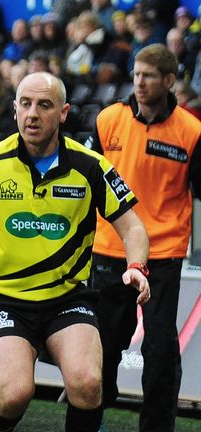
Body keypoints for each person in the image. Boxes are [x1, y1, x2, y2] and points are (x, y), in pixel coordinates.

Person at [0, 72, 151, 432]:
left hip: (67, 298)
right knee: (14, 395)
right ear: (14, 110)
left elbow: (132, 226)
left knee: (88, 385)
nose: (32, 114)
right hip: (5, 299)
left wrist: (136, 265)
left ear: (64, 112)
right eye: (25, 104)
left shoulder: (91, 166)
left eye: (44, 105)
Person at [88, 43, 201, 432]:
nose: (139, 82)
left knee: (160, 350)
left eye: (149, 75)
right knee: (102, 347)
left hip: (164, 255)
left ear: (169, 81)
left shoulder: (192, 131)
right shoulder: (107, 120)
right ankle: (90, 420)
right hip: (107, 248)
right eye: (136, 74)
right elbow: (89, 185)